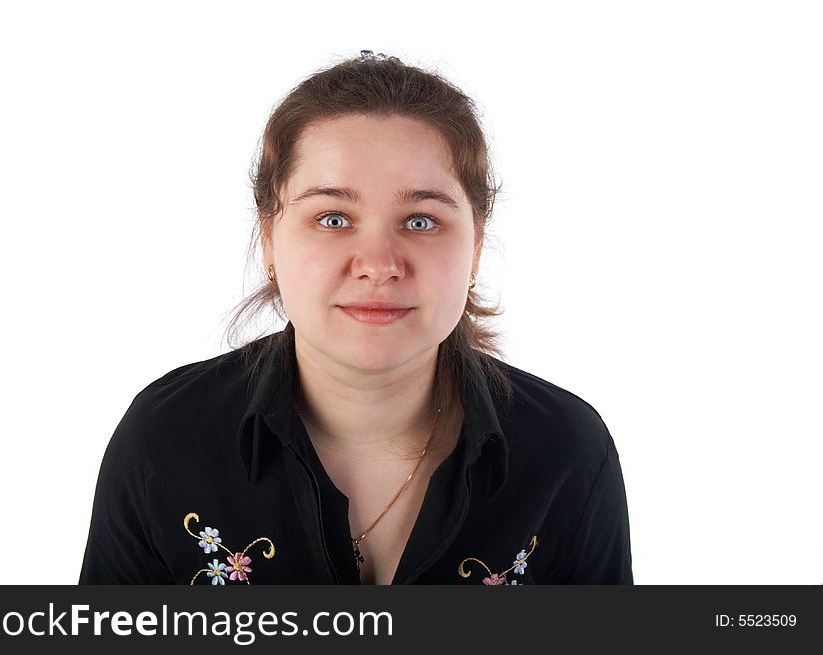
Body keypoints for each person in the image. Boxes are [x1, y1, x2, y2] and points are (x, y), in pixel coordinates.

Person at [79, 50, 633, 585]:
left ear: (477, 246)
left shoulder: (567, 450)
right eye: (333, 217)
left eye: (420, 221)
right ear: (269, 240)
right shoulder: (165, 438)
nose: (378, 266)